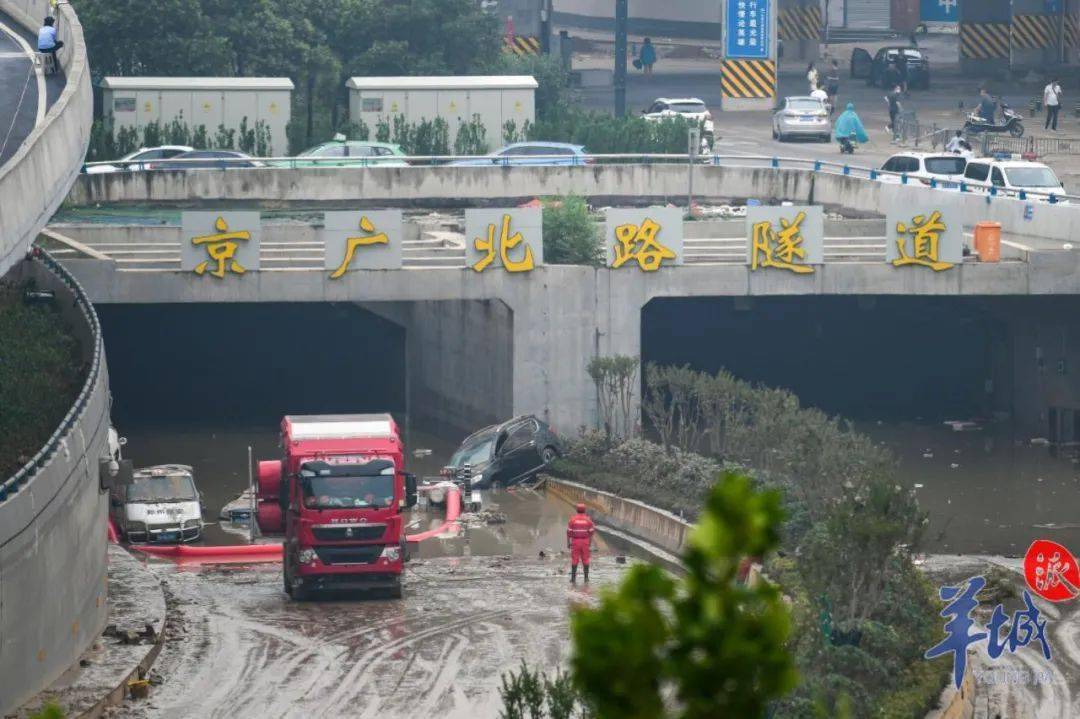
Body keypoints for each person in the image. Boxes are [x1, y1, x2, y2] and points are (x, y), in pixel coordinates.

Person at [567, 503, 595, 583]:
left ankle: (573, 579)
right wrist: (589, 543)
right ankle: (586, 578)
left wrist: (568, 543)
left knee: (575, 559)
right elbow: (591, 532)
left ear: (577, 510)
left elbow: (569, 532)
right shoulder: (588, 520)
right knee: (586, 559)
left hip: (575, 541)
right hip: (585, 541)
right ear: (584, 510)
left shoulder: (572, 520)